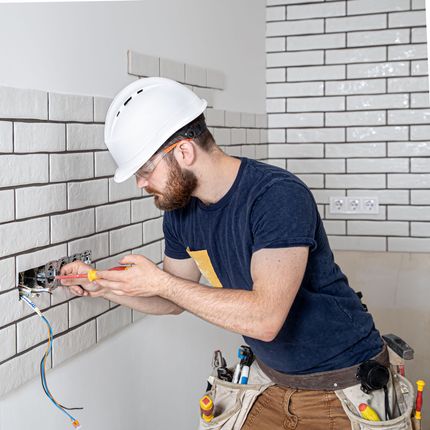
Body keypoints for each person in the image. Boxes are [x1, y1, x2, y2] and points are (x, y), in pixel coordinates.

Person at [61, 77, 386, 429]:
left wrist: (160, 282)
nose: (141, 183)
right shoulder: (180, 212)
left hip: (344, 383)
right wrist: (104, 288)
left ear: (184, 152)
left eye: (145, 171)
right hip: (273, 380)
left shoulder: (276, 196)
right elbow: (173, 299)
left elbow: (265, 320)